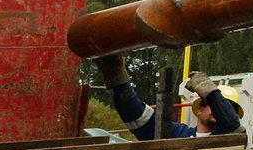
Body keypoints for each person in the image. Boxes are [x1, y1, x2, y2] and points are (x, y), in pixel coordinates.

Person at [94, 56, 244, 140]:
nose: (222, 110)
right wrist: (118, 79)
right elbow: (137, 116)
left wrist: (210, 92)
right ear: (200, 110)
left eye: (230, 108)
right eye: (214, 104)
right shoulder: (177, 134)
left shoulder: (230, 140)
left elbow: (232, 126)